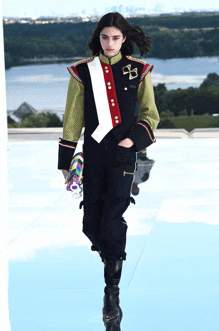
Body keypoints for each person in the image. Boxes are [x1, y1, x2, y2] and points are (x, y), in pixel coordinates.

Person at [58, 12, 159, 331]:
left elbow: (151, 115)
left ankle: (111, 291)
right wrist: (65, 161)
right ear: (98, 38)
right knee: (92, 222)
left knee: (113, 216)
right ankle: (112, 255)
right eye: (105, 37)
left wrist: (133, 140)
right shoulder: (82, 72)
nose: (111, 43)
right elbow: (72, 118)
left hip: (124, 154)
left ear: (124, 38)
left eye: (116, 37)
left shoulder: (139, 71)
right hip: (93, 156)